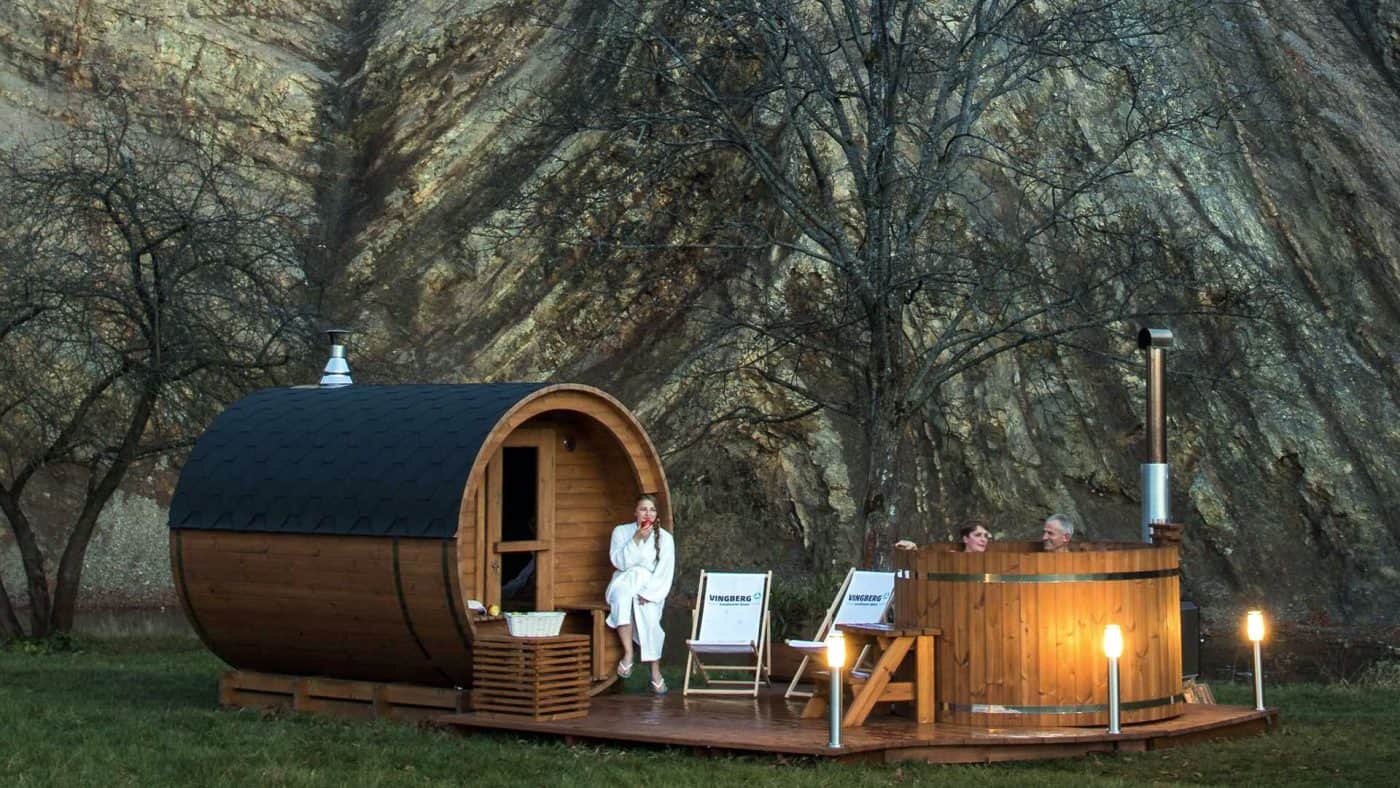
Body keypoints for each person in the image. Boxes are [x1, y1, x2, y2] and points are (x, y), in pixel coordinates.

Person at [605, 494, 675, 694]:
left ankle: (655, 671)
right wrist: (636, 539)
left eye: (652, 510)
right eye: (643, 509)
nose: (648, 513)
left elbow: (665, 570)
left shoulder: (665, 538)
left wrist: (650, 593)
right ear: (635, 512)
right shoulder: (621, 532)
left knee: (650, 619)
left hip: (649, 585)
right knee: (621, 598)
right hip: (623, 580)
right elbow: (619, 562)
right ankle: (628, 654)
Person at [893, 520, 991, 552]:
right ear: (965, 539)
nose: (983, 539)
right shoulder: (952, 557)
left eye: (986, 536)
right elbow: (929, 564)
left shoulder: (991, 563)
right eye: (978, 535)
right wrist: (914, 549)